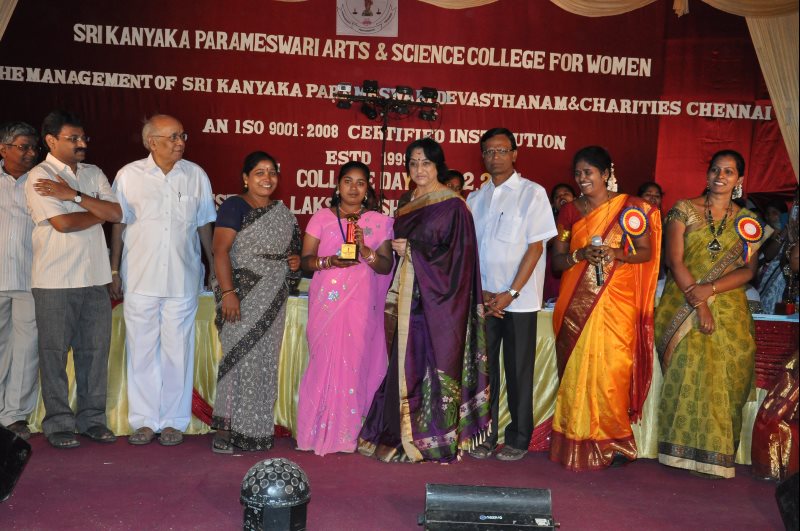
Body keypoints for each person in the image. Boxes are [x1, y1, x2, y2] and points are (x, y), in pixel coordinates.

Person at [358, 138, 490, 463]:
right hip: (406, 299)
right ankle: (398, 433)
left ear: (438, 166)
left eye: (426, 163)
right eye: (413, 163)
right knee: (402, 365)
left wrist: (414, 251)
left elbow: (459, 258)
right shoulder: (407, 203)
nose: (419, 169)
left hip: (439, 303)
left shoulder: (454, 206)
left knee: (429, 366)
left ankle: (431, 438)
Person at [656, 149, 768, 479]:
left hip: (730, 311)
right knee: (685, 373)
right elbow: (674, 260)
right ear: (707, 174)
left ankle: (717, 456)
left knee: (726, 376)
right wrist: (701, 303)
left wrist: (712, 289)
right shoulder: (683, 209)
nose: (721, 176)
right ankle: (677, 453)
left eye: (729, 172)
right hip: (684, 304)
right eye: (716, 170)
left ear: (739, 180)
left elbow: (749, 271)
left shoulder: (748, 222)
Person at [549, 146, 660, 471]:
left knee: (614, 370)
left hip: (617, 303)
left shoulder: (631, 208)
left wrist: (616, 253)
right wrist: (580, 254)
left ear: (606, 173)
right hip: (577, 303)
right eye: (578, 173)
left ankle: (615, 440)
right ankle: (574, 437)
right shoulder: (570, 211)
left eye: (589, 172)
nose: (582, 179)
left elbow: (646, 252)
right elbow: (557, 262)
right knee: (578, 370)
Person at [110, 115, 216, 446]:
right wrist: (113, 270)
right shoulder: (129, 175)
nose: (180, 142)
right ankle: (143, 421)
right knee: (141, 351)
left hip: (183, 277)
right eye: (172, 137)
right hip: (140, 276)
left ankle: (173, 421)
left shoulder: (196, 175)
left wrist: (213, 265)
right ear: (151, 142)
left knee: (177, 351)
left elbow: (204, 224)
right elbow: (118, 223)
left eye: (182, 136)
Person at [25, 110, 122, 448]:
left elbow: (115, 213)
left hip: (95, 277)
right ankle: (58, 423)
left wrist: (74, 197)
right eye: (73, 139)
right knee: (53, 353)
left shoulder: (93, 172)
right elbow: (63, 225)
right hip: (55, 279)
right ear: (51, 141)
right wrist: (96, 211)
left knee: (95, 352)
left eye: (83, 138)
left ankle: (92, 420)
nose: (82, 144)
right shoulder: (40, 176)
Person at [466, 128, 557, 461]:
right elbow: (471, 251)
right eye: (489, 151)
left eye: (502, 151)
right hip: (485, 300)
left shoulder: (533, 193)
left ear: (515, 154)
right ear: (482, 157)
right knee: (484, 372)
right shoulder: (475, 199)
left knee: (518, 372)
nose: (495, 157)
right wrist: (483, 292)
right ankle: (485, 435)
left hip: (519, 301)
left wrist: (511, 293)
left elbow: (536, 248)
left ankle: (518, 438)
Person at [296, 161, 394, 456]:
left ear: (367, 189)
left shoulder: (379, 222)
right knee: (322, 363)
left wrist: (365, 251)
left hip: (361, 306)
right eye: (348, 181)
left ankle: (347, 434)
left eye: (360, 183)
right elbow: (305, 261)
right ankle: (312, 432)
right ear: (338, 186)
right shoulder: (322, 217)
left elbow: (386, 266)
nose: (353, 188)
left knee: (354, 366)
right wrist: (329, 262)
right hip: (326, 303)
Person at [209, 151, 301, 453]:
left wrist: (294, 262)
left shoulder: (282, 213)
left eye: (272, 172)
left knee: (264, 363)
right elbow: (220, 251)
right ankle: (225, 429)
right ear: (246, 178)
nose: (267, 178)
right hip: (241, 294)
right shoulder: (235, 206)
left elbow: (292, 254)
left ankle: (255, 429)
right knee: (237, 358)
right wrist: (228, 293)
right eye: (260, 172)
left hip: (273, 296)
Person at [0, 122, 39, 440]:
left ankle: (14, 416)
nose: (30, 153)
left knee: (26, 350)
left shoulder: (40, 182)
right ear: (3, 148)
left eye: (34, 148)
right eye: (23, 147)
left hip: (31, 276)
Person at [543, 183, 577, 302]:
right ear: (553, 204)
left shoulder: (583, 217)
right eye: (557, 196)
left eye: (566, 193)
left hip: (577, 264)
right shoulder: (548, 222)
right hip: (554, 266)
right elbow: (541, 243)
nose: (562, 197)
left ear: (575, 199)